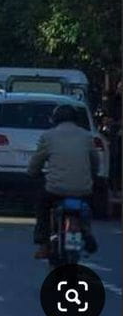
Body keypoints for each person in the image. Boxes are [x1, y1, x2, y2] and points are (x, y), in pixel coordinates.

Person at [28, 103, 98, 259]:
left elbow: (36, 162)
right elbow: (95, 162)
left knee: (42, 206)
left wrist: (33, 173)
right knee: (88, 207)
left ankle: (44, 244)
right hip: (83, 189)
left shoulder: (48, 136)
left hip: (55, 189)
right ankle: (86, 231)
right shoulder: (87, 136)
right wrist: (92, 175)